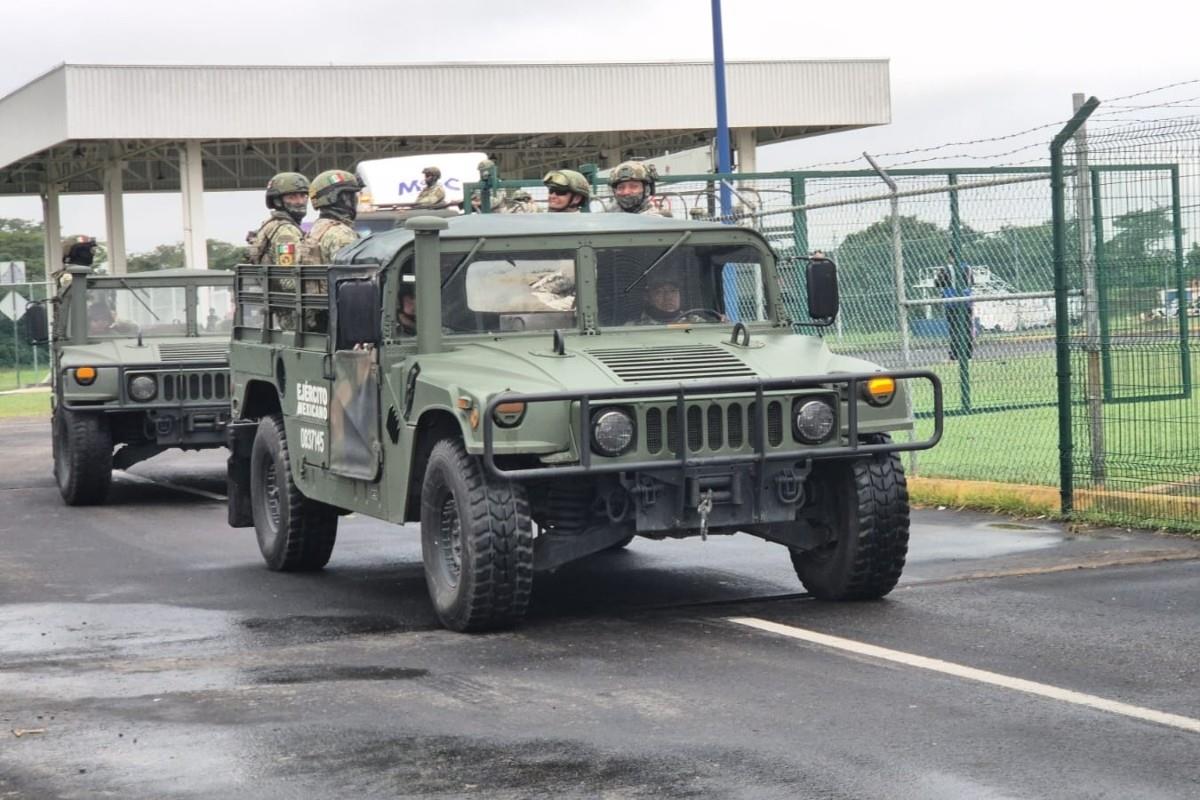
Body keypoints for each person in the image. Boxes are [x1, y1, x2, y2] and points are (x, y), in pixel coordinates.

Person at [300, 170, 362, 329]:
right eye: (352, 195)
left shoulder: (317, 229)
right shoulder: (341, 234)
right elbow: (355, 284)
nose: (356, 200)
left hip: (320, 316)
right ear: (342, 198)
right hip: (340, 319)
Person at [248, 172, 308, 267]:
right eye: (292, 197)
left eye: (303, 196)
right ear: (277, 201)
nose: (300, 202)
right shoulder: (285, 231)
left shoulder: (271, 224)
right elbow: (289, 276)